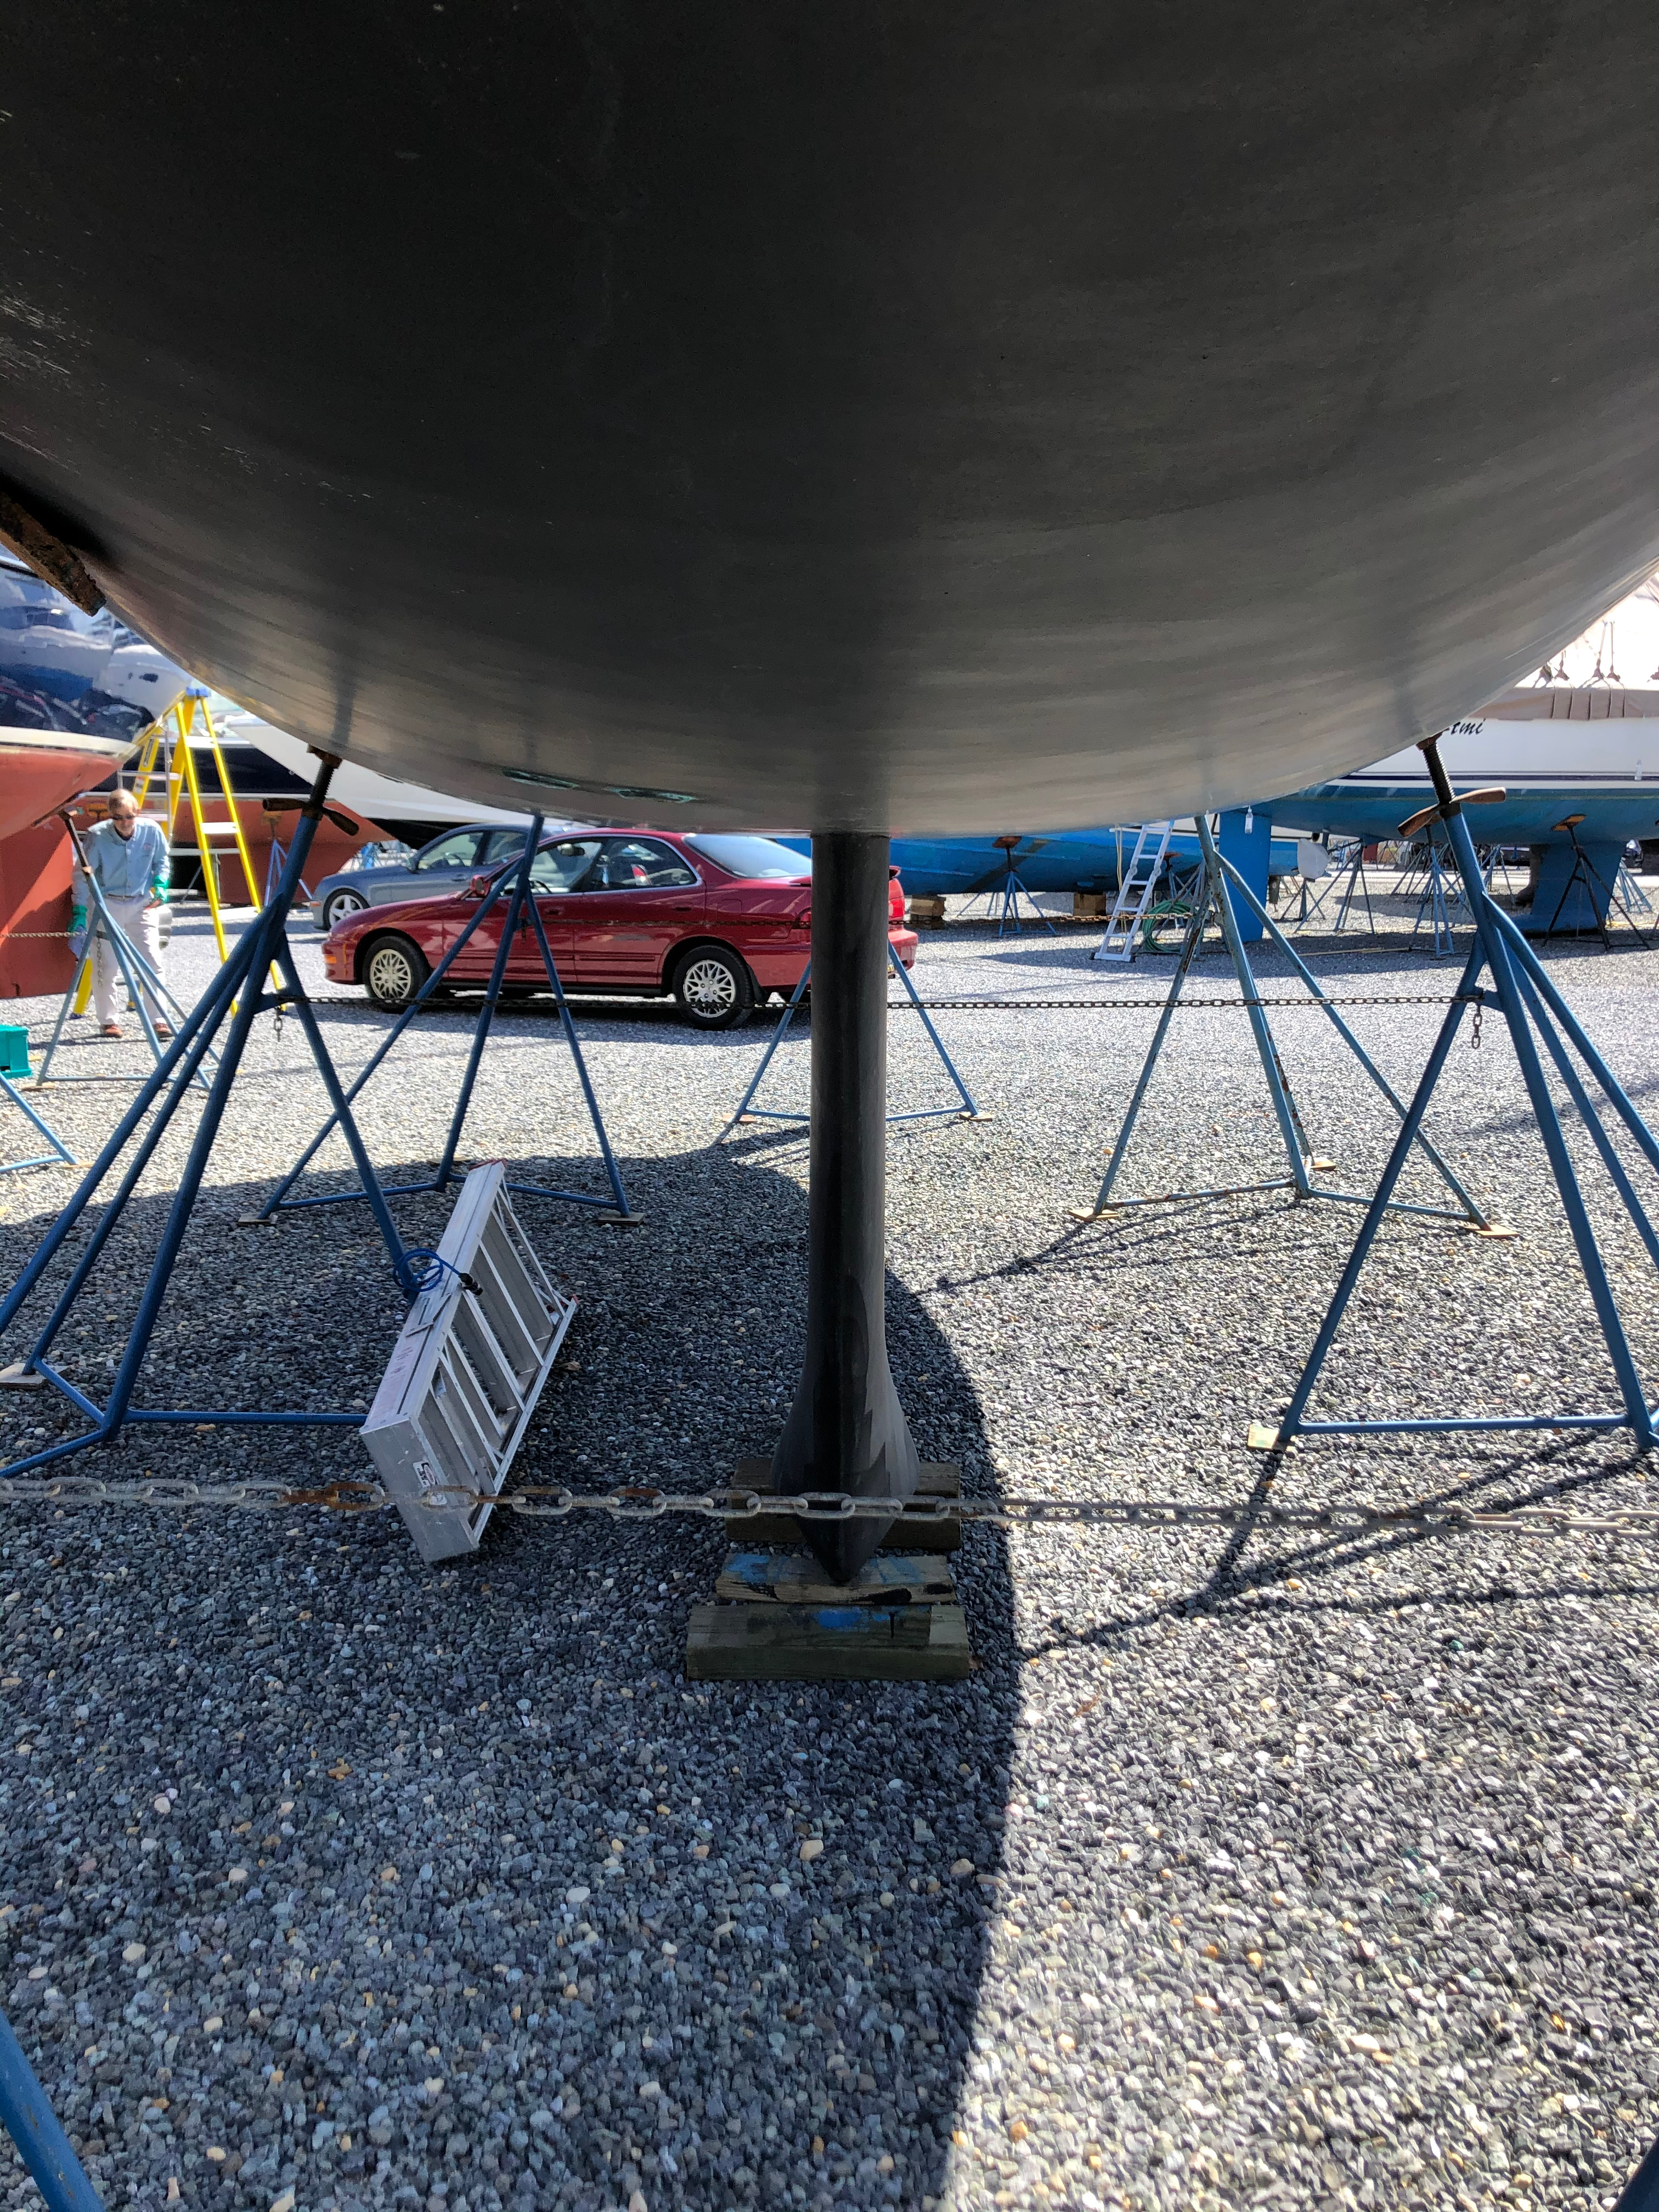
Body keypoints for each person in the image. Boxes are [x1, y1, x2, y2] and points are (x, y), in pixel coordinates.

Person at [83, 788, 171, 1040]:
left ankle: (158, 1019)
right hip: (107, 903)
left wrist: (161, 885)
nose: (124, 822)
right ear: (110, 817)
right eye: (118, 818)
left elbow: (162, 861)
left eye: (129, 817)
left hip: (141, 902)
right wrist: (80, 908)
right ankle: (108, 1021)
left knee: (152, 961)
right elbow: (84, 873)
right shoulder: (97, 836)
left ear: (137, 813)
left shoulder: (152, 831)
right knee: (106, 965)